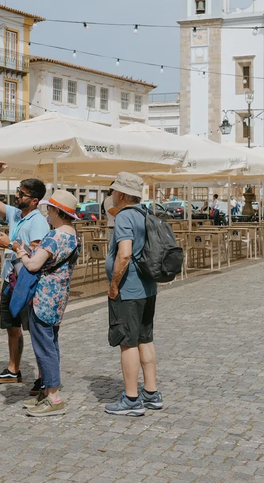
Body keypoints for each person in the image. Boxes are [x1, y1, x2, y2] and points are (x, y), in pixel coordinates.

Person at [0, 162, 50, 395]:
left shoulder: (38, 221)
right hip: (9, 279)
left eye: (21, 193)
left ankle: (44, 376)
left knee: (34, 329)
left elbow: (35, 253)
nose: (17, 195)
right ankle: (14, 369)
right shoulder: (15, 214)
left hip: (26, 282)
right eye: (17, 191)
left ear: (34, 200)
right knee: (12, 327)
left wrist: (8, 244)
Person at [103, 172, 163, 417]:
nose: (112, 195)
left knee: (127, 343)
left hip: (130, 288)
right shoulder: (145, 213)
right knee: (145, 339)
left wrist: (114, 284)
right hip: (148, 287)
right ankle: (151, 393)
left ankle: (131, 398)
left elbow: (124, 253)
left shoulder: (125, 216)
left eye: (114, 191)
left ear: (122, 194)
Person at [17, 190, 80, 417]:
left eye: (48, 210)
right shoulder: (73, 235)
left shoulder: (55, 236)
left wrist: (20, 252)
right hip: (59, 296)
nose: (47, 214)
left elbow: (34, 265)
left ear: (56, 212)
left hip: (43, 297)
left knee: (45, 347)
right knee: (51, 344)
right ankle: (47, 393)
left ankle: (53, 397)